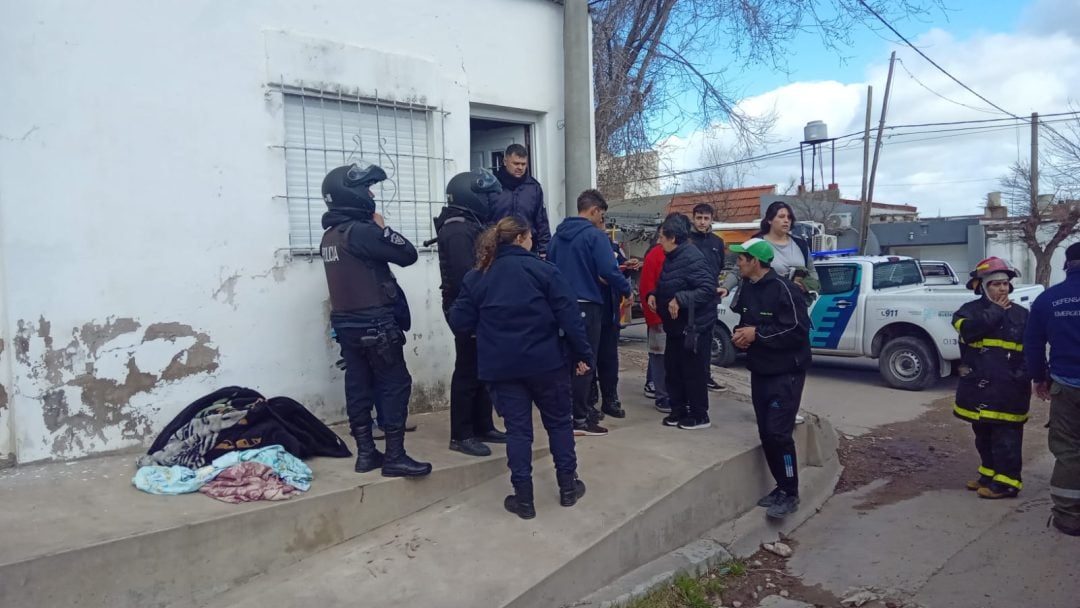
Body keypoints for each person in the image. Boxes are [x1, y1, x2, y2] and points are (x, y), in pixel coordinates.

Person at [449, 217, 592, 520]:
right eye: (530, 237)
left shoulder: (478, 276)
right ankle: (568, 488)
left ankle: (523, 499)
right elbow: (571, 319)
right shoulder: (545, 272)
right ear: (521, 238)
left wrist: (485, 328)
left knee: (518, 432)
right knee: (559, 424)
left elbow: (459, 321)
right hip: (547, 364)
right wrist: (583, 355)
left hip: (501, 367)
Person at [319, 162, 431, 478]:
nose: (371, 194)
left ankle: (366, 454)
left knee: (358, 386)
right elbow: (407, 254)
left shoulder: (330, 236)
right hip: (377, 325)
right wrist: (382, 227)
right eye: (366, 188)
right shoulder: (363, 232)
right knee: (394, 384)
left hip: (347, 326)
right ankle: (395, 456)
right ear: (352, 194)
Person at [729, 237, 812, 518]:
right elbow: (746, 322)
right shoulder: (748, 289)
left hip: (786, 374)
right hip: (760, 371)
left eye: (742, 258)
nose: (737, 262)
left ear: (755, 261)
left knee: (779, 433)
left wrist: (757, 334)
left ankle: (791, 492)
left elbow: (798, 331)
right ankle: (781, 486)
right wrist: (741, 336)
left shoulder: (785, 290)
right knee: (766, 433)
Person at [435, 169, 508, 457]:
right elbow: (468, 275)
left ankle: (483, 425)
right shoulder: (457, 230)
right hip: (466, 308)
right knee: (467, 370)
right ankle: (462, 434)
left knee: (483, 368)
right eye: (486, 195)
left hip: (478, 306)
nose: (490, 201)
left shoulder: (471, 224)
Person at [548, 189, 633, 436]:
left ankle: (570, 411)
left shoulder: (556, 237)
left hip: (561, 305)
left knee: (567, 360)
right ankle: (581, 418)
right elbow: (609, 269)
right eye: (602, 215)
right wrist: (626, 289)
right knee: (586, 361)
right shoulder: (594, 237)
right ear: (594, 211)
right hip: (587, 305)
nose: (601, 220)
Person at [952, 257, 1030, 499]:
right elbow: (969, 330)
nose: (1003, 288)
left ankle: (1007, 483)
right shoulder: (967, 312)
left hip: (1009, 388)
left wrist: (1023, 377)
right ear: (982, 286)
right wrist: (996, 311)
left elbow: (1032, 349)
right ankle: (989, 474)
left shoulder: (1022, 315)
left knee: (1006, 437)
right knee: (983, 434)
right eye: (996, 284)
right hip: (978, 387)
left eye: (1005, 284)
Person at [1024, 242, 1080, 536]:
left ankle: (1069, 517)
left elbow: (1032, 345)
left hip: (1066, 386)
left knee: (1069, 450)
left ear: (1066, 265)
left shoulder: (1048, 299)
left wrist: (1039, 378)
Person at [646, 213, 715, 430]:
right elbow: (670, 281)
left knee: (693, 372)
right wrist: (655, 294)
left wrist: (680, 299)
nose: (659, 241)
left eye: (661, 237)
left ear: (673, 237)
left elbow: (707, 289)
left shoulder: (692, 257)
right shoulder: (673, 257)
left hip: (693, 326)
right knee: (673, 369)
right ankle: (678, 410)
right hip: (674, 327)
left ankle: (699, 414)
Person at [730, 201, 819, 306]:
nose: (786, 220)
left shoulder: (801, 244)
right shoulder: (757, 242)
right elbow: (738, 270)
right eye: (781, 217)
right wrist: (725, 288)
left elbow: (812, 272)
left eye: (789, 217)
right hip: (762, 305)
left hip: (794, 306)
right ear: (769, 220)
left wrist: (805, 285)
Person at [592, 238, 641, 418]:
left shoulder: (612, 247)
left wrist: (627, 266)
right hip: (590, 309)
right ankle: (589, 400)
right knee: (589, 358)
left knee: (609, 359)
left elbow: (620, 271)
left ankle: (610, 399)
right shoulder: (585, 244)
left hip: (611, 312)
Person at [689, 203, 728, 392]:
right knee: (688, 341)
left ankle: (706, 376)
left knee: (706, 341)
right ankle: (689, 378)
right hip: (690, 298)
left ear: (711, 219)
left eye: (706, 218)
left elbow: (720, 266)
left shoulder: (717, 243)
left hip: (710, 300)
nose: (702, 222)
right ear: (693, 218)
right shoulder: (686, 241)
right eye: (699, 218)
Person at [489, 144, 551, 256]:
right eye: (516, 163)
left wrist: (544, 250)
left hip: (527, 249)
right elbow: (483, 220)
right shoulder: (491, 187)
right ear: (505, 161)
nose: (520, 167)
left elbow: (541, 221)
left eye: (523, 164)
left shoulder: (533, 187)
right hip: (497, 249)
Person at [639, 226, 671, 413]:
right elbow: (646, 288)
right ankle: (662, 396)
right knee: (659, 358)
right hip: (658, 317)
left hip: (676, 318)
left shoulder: (682, 255)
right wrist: (653, 317)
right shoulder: (655, 255)